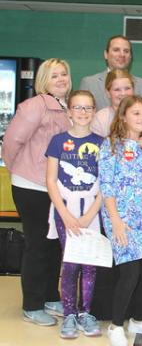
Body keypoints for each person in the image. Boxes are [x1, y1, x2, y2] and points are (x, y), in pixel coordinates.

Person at [3, 58, 72, 326]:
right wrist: (19, 168)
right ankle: (32, 304)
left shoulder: (65, 106)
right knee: (37, 245)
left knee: (54, 243)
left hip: (55, 186)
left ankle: (49, 296)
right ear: (44, 80)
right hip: (31, 186)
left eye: (64, 74)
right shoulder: (35, 106)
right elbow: (11, 142)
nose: (61, 79)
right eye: (54, 75)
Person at [98, 96, 142, 346]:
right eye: (136, 113)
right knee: (129, 273)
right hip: (121, 218)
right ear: (123, 116)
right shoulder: (110, 145)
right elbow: (106, 186)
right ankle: (116, 326)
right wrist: (115, 220)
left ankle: (138, 320)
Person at [45, 90, 104, 339]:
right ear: (69, 112)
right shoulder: (57, 142)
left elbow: (106, 184)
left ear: (94, 111)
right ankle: (69, 313)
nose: (83, 112)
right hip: (64, 209)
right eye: (78, 108)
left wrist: (91, 213)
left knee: (89, 264)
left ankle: (85, 312)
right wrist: (65, 214)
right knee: (70, 263)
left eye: (88, 108)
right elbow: (50, 180)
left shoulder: (103, 143)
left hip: (92, 210)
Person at [80, 35, 142, 109]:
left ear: (130, 56)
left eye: (126, 51)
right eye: (116, 50)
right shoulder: (89, 84)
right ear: (106, 54)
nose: (122, 54)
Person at [90, 69, 135, 137]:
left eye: (127, 88)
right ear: (108, 93)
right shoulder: (100, 119)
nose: (123, 93)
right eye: (117, 89)